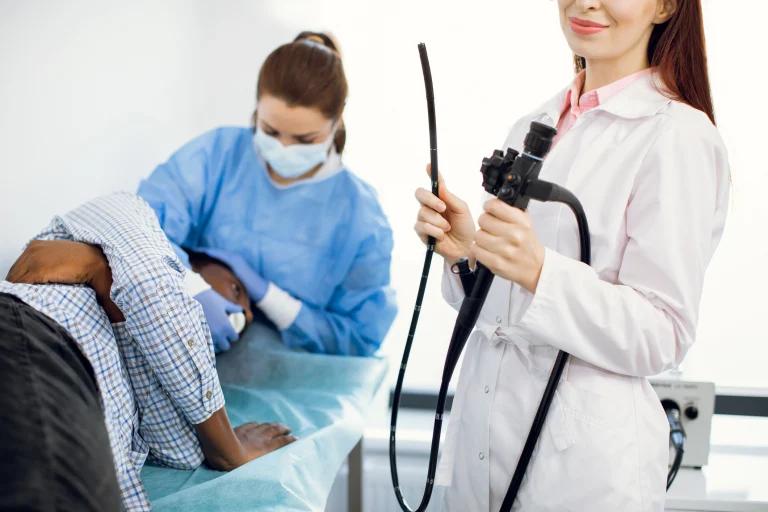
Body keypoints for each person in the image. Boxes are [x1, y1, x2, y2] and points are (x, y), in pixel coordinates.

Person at [413, 0, 729, 510]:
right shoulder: (534, 123)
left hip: (584, 473)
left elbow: (663, 332)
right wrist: (469, 251)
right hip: (486, 444)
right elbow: (511, 310)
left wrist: (542, 273)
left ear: (666, 6)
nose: (586, 2)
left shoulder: (678, 137)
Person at [1, 193, 295, 511]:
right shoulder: (128, 211)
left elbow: (179, 452)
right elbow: (148, 287)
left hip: (82, 402)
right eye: (237, 290)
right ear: (198, 261)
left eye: (246, 320)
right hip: (38, 340)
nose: (242, 315)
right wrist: (230, 447)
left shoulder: (160, 349)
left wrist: (102, 276)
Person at [137, 31, 397, 354]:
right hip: (185, 351)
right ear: (257, 107)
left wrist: (272, 298)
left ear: (337, 121)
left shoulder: (361, 218)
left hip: (292, 391)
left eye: (305, 140)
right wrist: (189, 284)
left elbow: (358, 338)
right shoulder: (217, 156)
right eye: (271, 131)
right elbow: (141, 225)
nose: (284, 147)